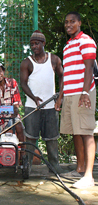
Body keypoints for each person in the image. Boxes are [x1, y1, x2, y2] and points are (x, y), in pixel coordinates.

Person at [55, 12, 96, 189]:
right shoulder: (67, 46)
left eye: (72, 21)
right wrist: (60, 97)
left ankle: (88, 176)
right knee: (75, 132)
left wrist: (85, 92)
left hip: (82, 93)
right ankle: (79, 168)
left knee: (86, 131)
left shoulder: (86, 41)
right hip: (70, 94)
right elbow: (67, 75)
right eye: (66, 22)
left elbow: (89, 69)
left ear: (80, 22)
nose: (68, 24)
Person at [20, 30, 66, 174]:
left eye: (37, 43)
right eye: (32, 44)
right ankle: (27, 166)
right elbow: (23, 83)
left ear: (43, 44)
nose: (34, 46)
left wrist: (60, 98)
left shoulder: (54, 60)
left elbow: (62, 77)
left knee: (51, 138)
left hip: (51, 107)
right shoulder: (27, 62)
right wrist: (34, 98)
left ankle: (54, 166)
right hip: (32, 107)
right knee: (31, 138)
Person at [0, 62, 24, 142]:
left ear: (3, 71)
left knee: (19, 125)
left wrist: (14, 111)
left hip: (11, 116)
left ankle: (22, 151)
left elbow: (16, 104)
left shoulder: (12, 83)